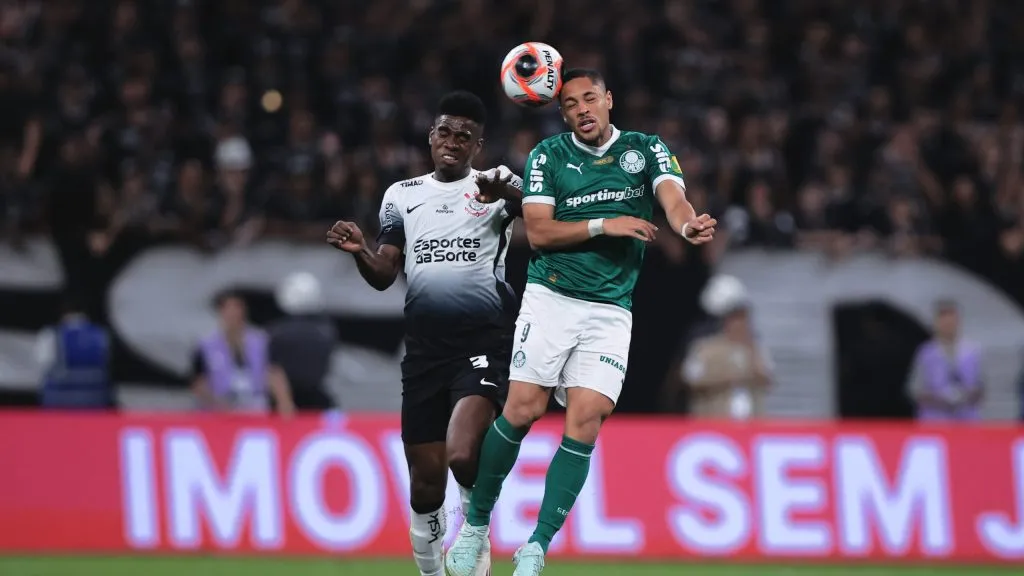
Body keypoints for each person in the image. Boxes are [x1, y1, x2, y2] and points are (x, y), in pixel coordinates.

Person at [445, 68, 716, 576]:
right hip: (552, 298)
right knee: (523, 410)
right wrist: (604, 223)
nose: (582, 109)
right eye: (570, 104)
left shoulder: (644, 148)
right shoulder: (549, 155)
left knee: (586, 421)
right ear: (563, 113)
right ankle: (476, 525)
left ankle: (536, 547)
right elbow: (541, 232)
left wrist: (687, 224)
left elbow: (673, 199)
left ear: (608, 100)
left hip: (611, 309)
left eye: (590, 98)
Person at [325, 91, 521, 576]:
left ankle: (476, 537)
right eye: (445, 132)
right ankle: (433, 571)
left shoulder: (498, 185)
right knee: (425, 486)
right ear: (431, 136)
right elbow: (385, 273)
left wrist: (512, 197)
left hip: (483, 343)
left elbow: (546, 217)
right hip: (425, 353)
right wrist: (359, 250)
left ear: (479, 144)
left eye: (464, 136)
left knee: (461, 452)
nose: (452, 142)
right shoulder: (402, 194)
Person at [190, 291, 296, 416]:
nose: (233, 314)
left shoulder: (261, 341)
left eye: (237, 308)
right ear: (221, 312)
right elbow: (199, 382)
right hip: (220, 408)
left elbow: (274, 373)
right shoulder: (206, 346)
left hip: (254, 405)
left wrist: (284, 402)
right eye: (228, 309)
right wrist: (218, 404)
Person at [268, 271, 337, 411]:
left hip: (284, 403)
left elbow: (272, 369)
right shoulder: (327, 331)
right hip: (318, 401)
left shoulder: (277, 332)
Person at [906, 299, 984, 421]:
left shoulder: (973, 351)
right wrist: (941, 399)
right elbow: (915, 390)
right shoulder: (925, 352)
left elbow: (981, 388)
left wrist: (965, 397)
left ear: (958, 321)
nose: (948, 324)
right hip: (935, 420)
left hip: (967, 420)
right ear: (936, 323)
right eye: (943, 320)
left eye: (951, 319)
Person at [37, 299, 113, 409]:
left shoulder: (52, 335)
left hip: (60, 401)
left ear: (64, 314)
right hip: (94, 400)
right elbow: (106, 361)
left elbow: (43, 364)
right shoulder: (101, 334)